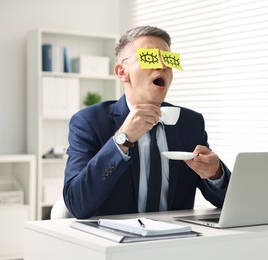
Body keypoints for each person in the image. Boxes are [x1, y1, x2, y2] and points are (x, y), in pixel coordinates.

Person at [63, 26, 231, 219]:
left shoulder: (190, 123)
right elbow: (77, 203)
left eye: (168, 60)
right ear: (122, 72)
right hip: (114, 243)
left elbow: (227, 201)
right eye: (150, 58)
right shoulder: (89, 122)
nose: (162, 67)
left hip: (176, 239)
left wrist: (216, 173)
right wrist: (122, 140)